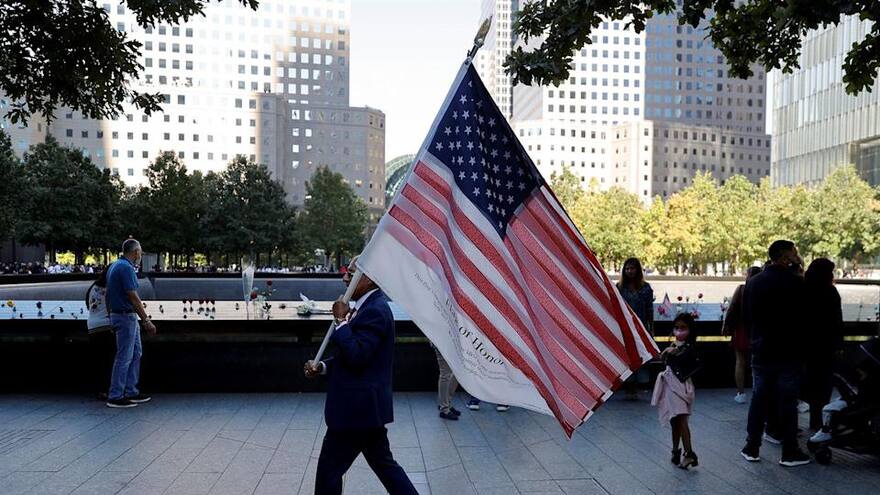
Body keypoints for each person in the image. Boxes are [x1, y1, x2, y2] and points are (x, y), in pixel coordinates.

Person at [304, 257, 417, 495]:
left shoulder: (375, 311)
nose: (344, 278)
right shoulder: (367, 307)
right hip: (365, 410)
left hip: (356, 411)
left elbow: (358, 357)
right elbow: (351, 357)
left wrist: (341, 322)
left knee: (328, 474)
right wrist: (322, 366)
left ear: (367, 278)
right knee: (384, 466)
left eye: (350, 273)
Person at [741, 240, 810, 467]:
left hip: (761, 348)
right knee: (787, 401)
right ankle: (789, 450)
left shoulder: (754, 282)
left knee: (759, 398)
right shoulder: (797, 284)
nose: (797, 256)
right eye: (794, 253)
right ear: (785, 257)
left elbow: (747, 315)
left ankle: (752, 446)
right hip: (789, 351)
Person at [105, 239, 156, 408]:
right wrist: (147, 321)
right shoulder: (126, 268)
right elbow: (133, 297)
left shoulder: (115, 265)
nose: (140, 255)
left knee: (135, 353)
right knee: (125, 356)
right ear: (135, 252)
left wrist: (109, 314)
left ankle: (131, 391)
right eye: (140, 252)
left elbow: (107, 294)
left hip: (120, 315)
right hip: (126, 317)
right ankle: (116, 395)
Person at [652, 313, 701, 469]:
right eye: (677, 328)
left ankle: (689, 453)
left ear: (690, 329)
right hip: (670, 386)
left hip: (681, 387)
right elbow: (662, 359)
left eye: (683, 328)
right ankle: (675, 451)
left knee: (681, 419)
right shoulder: (674, 346)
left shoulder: (690, 348)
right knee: (675, 420)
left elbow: (687, 362)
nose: (679, 331)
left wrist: (672, 353)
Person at [803, 258, 843, 430]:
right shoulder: (830, 291)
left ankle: (812, 414)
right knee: (823, 384)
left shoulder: (802, 290)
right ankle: (817, 419)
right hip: (826, 345)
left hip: (806, 344)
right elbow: (837, 320)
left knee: (808, 381)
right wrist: (839, 344)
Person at [722, 266, 763, 404]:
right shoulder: (762, 289)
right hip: (758, 330)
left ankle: (740, 393)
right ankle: (758, 390)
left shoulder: (741, 289)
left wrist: (726, 326)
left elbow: (732, 307)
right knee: (758, 363)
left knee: (740, 361)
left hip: (741, 329)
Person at [617, 257, 654, 399]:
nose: (630, 271)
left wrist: (650, 328)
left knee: (641, 356)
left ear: (638, 270)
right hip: (625, 329)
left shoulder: (646, 288)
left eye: (632, 268)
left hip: (641, 327)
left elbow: (649, 309)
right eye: (627, 268)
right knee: (628, 358)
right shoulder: (619, 288)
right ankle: (629, 387)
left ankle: (639, 385)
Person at [86, 270, 113, 400]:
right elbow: (112, 307)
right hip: (106, 326)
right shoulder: (110, 288)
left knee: (98, 360)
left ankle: (99, 390)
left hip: (92, 325)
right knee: (108, 360)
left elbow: (88, 305)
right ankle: (107, 389)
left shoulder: (93, 287)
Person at [433, 346, 462, 420]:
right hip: (441, 341)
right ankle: (444, 409)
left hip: (453, 342)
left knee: (457, 372)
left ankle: (446, 404)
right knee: (445, 374)